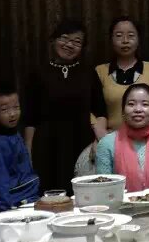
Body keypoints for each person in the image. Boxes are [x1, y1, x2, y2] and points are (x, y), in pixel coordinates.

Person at [23, 19, 95, 191]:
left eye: (77, 42)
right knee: (49, 194)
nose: (69, 45)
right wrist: (28, 151)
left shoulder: (89, 73)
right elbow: (30, 117)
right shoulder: (38, 72)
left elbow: (99, 111)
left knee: (81, 193)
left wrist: (97, 141)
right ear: (53, 40)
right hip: (46, 144)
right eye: (64, 38)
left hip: (81, 142)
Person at [92, 16, 149, 138]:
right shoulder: (100, 71)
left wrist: (146, 131)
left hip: (146, 137)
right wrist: (101, 134)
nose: (125, 40)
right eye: (119, 35)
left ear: (138, 40)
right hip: (111, 138)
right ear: (111, 39)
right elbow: (92, 107)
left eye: (131, 35)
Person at [95, 84, 149, 192]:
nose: (138, 109)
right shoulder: (107, 143)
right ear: (123, 110)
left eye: (145, 104)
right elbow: (103, 188)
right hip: (119, 202)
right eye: (131, 104)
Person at [0, 83, 41, 211]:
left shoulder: (14, 133)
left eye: (16, 107)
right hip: (15, 204)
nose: (12, 114)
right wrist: (4, 211)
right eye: (4, 110)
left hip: (31, 197)